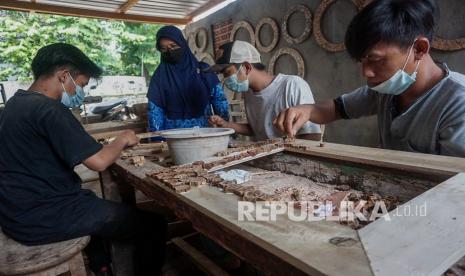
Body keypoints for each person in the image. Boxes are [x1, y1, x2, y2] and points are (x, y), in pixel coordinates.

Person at [0, 43, 166, 276]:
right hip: (43, 217)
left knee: (92, 203)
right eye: (81, 85)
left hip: (17, 213)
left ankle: (102, 267)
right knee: (153, 225)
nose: (81, 92)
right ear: (64, 75)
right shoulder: (49, 110)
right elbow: (98, 162)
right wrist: (123, 139)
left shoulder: (15, 104)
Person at [274, 0, 465, 157]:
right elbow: (338, 108)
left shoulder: (458, 102)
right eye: (362, 62)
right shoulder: (385, 91)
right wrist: (306, 110)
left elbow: (455, 188)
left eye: (375, 59)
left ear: (419, 49)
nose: (366, 73)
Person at [206, 40, 322, 141]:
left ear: (246, 67)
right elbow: (257, 129)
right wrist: (225, 124)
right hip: (266, 159)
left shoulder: (292, 85)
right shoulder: (249, 93)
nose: (225, 79)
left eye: (226, 72)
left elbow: (313, 136)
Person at [147, 25, 229, 132]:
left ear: (183, 44)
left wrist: (226, 129)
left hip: (206, 133)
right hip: (174, 138)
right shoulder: (159, 77)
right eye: (164, 48)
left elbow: (219, 100)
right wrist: (158, 141)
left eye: (173, 46)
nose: (170, 51)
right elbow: (154, 112)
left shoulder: (203, 70)